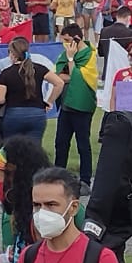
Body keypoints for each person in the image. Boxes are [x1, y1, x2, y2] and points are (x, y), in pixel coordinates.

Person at [53, 25, 98, 193]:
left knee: (83, 144)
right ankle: (58, 177)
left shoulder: (89, 54)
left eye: (66, 40)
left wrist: (71, 62)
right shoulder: (65, 54)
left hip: (82, 105)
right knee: (61, 143)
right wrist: (71, 72)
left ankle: (85, 180)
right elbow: (60, 74)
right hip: (66, 105)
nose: (64, 44)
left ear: (77, 39)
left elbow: (81, 77)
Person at [0, 37, 65, 143]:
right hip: (37, 114)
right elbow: (59, 83)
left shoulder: (6, 73)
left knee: (12, 149)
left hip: (14, 115)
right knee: (33, 150)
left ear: (12, 54)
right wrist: (49, 101)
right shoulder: (40, 69)